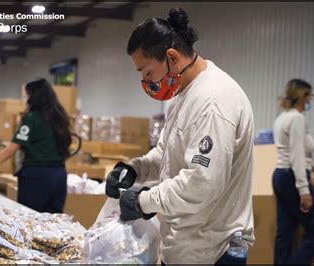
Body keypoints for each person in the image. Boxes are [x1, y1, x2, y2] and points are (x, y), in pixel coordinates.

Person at [105, 8, 255, 264]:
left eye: (148, 72)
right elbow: (167, 152)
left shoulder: (213, 101)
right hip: (186, 247)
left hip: (211, 251)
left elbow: (201, 182)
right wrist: (135, 169)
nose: (145, 81)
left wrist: (144, 201)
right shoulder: (185, 95)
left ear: (172, 57)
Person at [0, 78, 72, 214]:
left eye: (27, 95)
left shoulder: (32, 119)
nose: (26, 99)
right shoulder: (61, 118)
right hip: (59, 176)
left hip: (37, 177)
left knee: (30, 221)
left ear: (35, 96)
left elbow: (10, 150)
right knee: (54, 223)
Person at [272, 79, 314, 265]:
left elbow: (292, 152)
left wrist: (312, 165)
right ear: (302, 96)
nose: (311, 100)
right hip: (293, 178)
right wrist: (304, 190)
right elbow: (296, 154)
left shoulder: (282, 117)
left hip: (280, 175)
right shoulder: (297, 119)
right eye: (310, 96)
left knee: (285, 231)